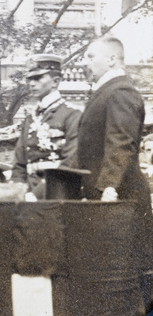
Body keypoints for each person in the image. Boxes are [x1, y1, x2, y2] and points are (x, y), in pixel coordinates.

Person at [77, 37, 153, 311]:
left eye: (90, 56)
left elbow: (120, 143)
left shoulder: (120, 92)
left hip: (120, 202)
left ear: (111, 59)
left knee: (131, 280)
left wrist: (109, 188)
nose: (84, 62)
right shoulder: (107, 91)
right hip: (110, 203)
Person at [10, 54, 81, 199]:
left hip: (58, 195)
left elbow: (70, 163)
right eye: (30, 79)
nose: (31, 83)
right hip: (28, 195)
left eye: (38, 78)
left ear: (55, 81)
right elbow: (19, 163)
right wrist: (18, 192)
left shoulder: (72, 115)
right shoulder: (30, 118)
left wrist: (36, 195)